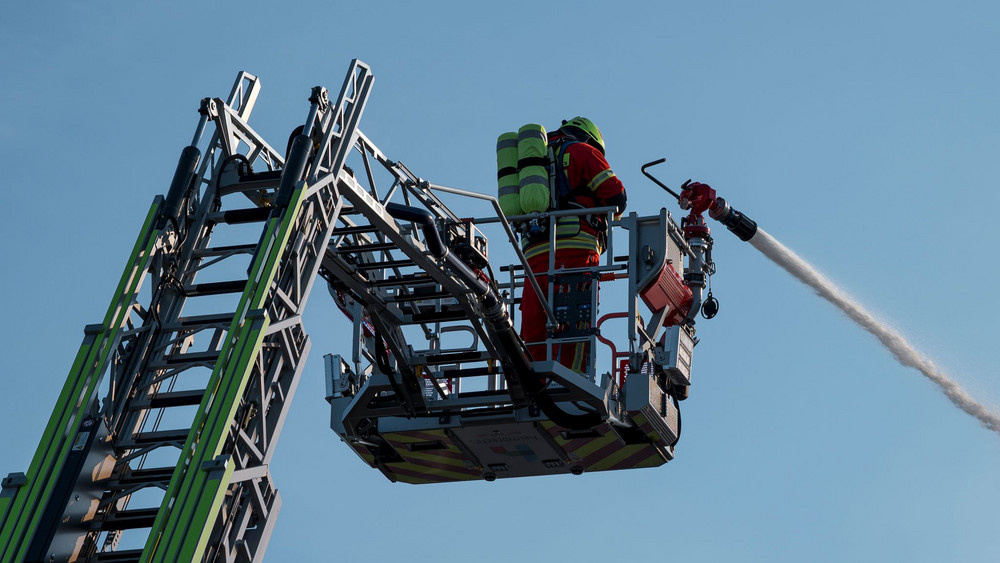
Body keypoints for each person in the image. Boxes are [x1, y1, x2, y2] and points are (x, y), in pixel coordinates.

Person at [519, 117, 627, 374]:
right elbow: (616, 196)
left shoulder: (534, 163)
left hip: (534, 254)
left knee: (535, 322)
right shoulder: (582, 151)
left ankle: (535, 381)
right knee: (576, 319)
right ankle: (575, 380)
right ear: (590, 138)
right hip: (576, 248)